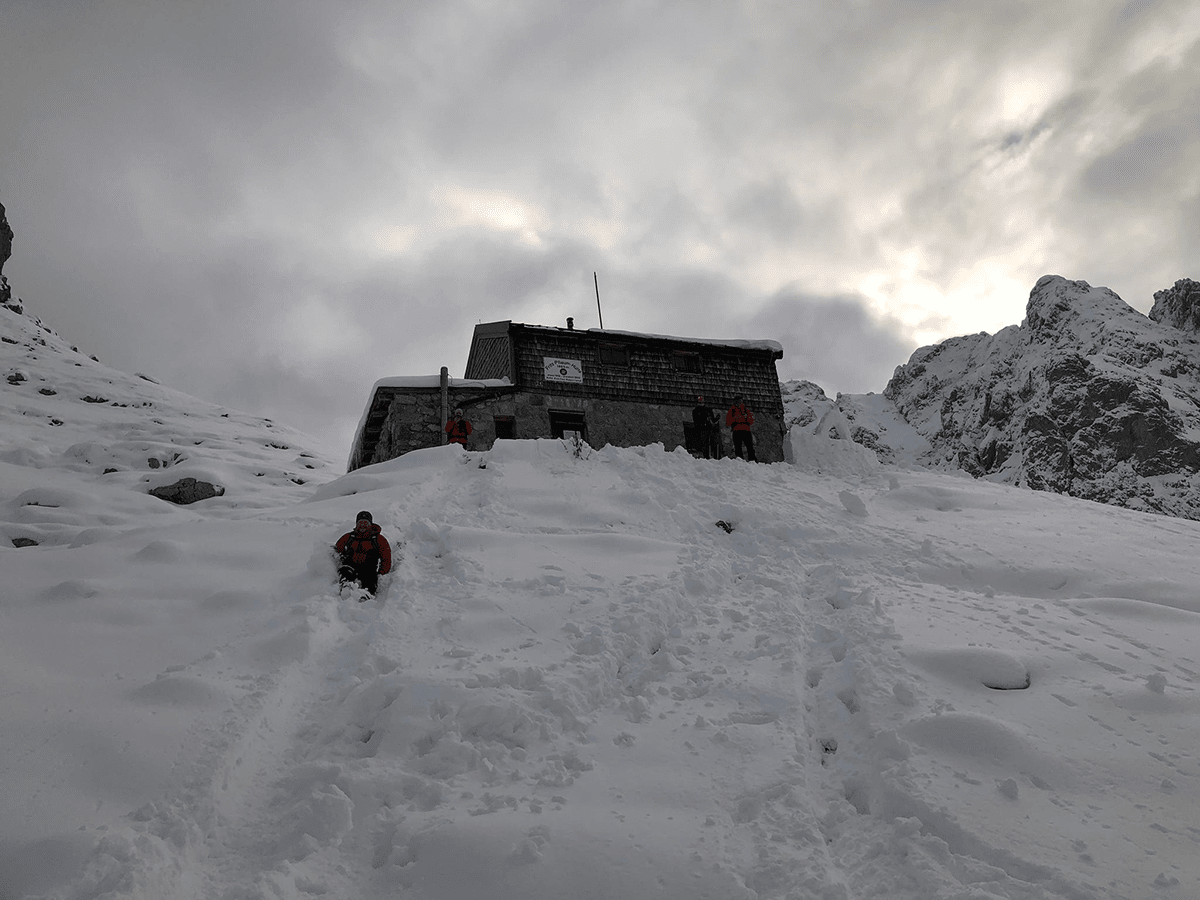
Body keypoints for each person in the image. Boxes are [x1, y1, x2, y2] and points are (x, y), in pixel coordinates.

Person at [334, 510, 392, 597]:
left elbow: (386, 557)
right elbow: (336, 550)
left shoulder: (378, 539)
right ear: (357, 524)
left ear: (370, 525)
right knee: (345, 572)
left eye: (366, 523)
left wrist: (381, 573)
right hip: (350, 566)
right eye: (360, 523)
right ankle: (345, 590)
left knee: (370, 578)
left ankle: (367, 595)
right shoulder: (349, 537)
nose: (363, 526)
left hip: (368, 569)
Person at [726, 395, 757, 461]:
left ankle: (752, 460)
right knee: (737, 447)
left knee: (750, 447)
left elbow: (751, 421)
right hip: (736, 431)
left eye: (740, 402)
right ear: (734, 402)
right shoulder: (732, 410)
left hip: (746, 430)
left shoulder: (746, 410)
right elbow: (728, 422)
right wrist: (741, 419)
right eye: (737, 402)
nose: (738, 403)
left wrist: (739, 419)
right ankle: (740, 460)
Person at [691, 395, 721, 459]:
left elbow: (712, 419)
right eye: (699, 401)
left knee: (713, 442)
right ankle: (705, 456)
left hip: (709, 428)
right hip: (701, 429)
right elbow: (696, 421)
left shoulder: (708, 410)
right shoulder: (696, 411)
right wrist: (705, 420)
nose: (701, 403)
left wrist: (716, 419)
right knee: (704, 443)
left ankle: (714, 456)